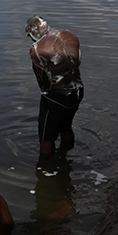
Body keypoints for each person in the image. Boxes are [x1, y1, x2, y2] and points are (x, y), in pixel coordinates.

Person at [26, 15, 84, 155]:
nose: (30, 38)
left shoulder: (37, 49)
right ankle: (68, 154)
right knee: (66, 126)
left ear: (34, 30)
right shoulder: (70, 35)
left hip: (56, 96)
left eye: (29, 35)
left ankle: (46, 170)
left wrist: (47, 95)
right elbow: (77, 62)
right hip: (78, 90)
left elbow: (42, 79)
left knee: (46, 137)